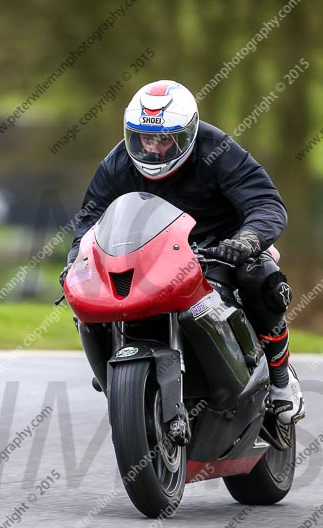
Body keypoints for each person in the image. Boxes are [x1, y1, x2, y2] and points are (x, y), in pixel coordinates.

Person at [60, 80, 305, 446]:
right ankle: (116, 380)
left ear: (188, 133)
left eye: (164, 139)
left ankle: (282, 378)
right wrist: (77, 258)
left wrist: (246, 241)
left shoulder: (218, 149)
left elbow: (266, 203)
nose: (153, 148)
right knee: (87, 297)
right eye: (143, 138)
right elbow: (89, 221)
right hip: (152, 257)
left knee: (261, 278)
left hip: (218, 250)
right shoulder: (117, 163)